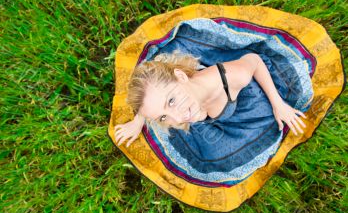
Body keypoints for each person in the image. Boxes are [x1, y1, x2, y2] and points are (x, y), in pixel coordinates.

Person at [114, 50, 307, 148]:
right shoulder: (162, 101)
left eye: (171, 101)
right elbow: (151, 103)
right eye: (162, 117)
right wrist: (138, 120)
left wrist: (277, 103)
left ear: (181, 76)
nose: (178, 119)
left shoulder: (235, 76)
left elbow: (254, 60)